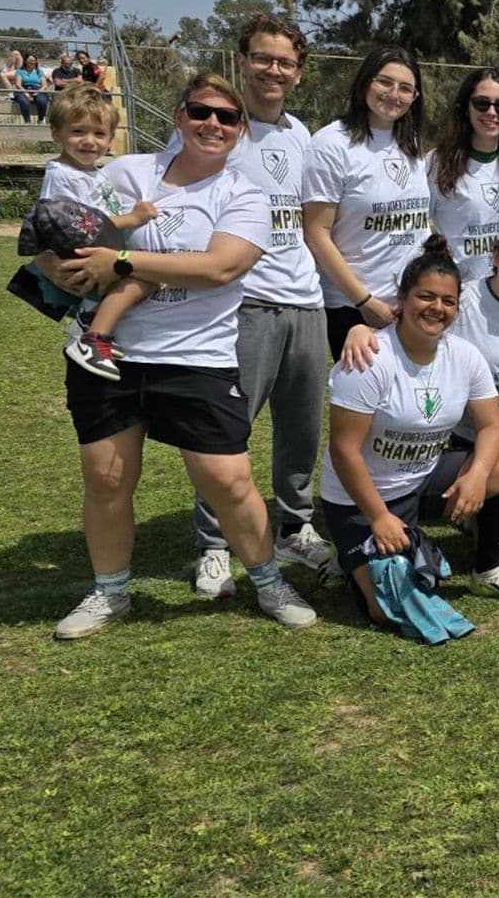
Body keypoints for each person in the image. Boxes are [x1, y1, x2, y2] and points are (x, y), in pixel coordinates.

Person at [42, 73, 318, 640]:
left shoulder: (242, 194)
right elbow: (62, 231)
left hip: (197, 355)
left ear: (241, 129)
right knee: (108, 478)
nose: (212, 124)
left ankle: (268, 582)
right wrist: (63, 270)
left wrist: (119, 265)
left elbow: (218, 267)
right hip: (108, 353)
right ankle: (110, 592)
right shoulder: (126, 173)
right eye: (200, 112)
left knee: (228, 479)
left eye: (227, 117)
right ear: (178, 115)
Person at [184, 14, 336, 598]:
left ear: (298, 73)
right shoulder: (218, 128)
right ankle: (215, 545)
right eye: (263, 58)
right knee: (227, 429)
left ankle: (295, 526)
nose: (274, 70)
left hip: (305, 301)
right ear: (242, 61)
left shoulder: (303, 136)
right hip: (243, 303)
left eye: (286, 62)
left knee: (301, 430)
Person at [320, 236, 499, 630]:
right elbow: (343, 451)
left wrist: (477, 476)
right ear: (402, 298)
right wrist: (378, 516)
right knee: (388, 611)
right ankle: (353, 558)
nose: (437, 308)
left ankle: (486, 571)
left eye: (448, 301)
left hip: (422, 480)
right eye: (425, 297)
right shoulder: (369, 358)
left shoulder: (464, 356)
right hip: (363, 499)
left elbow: (491, 426)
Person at [301, 44, 431, 353]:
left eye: (405, 88)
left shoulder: (409, 143)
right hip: (354, 309)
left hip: (407, 304)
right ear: (364, 83)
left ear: (414, 98)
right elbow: (316, 234)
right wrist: (364, 301)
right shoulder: (332, 144)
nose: (393, 94)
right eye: (384, 82)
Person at [50, 87, 161, 381]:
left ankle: (92, 332)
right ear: (56, 134)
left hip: (97, 251)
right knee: (146, 276)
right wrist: (133, 218)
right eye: (77, 131)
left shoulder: (89, 172)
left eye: (99, 134)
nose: (89, 141)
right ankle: (91, 335)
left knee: (147, 277)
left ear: (110, 139)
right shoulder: (63, 175)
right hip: (85, 254)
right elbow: (82, 223)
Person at [429, 68, 499, 284]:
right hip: (461, 292)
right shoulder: (437, 162)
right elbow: (419, 226)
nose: (492, 113)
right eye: (482, 103)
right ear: (466, 108)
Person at [11, 53, 51, 123]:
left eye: (33, 60)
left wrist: (38, 92)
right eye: (29, 60)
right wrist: (25, 93)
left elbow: (44, 85)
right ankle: (27, 122)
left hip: (37, 89)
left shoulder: (39, 72)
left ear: (36, 62)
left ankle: (40, 119)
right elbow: (18, 84)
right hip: (23, 89)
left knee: (42, 100)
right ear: (25, 61)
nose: (31, 62)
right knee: (24, 102)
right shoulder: (20, 71)